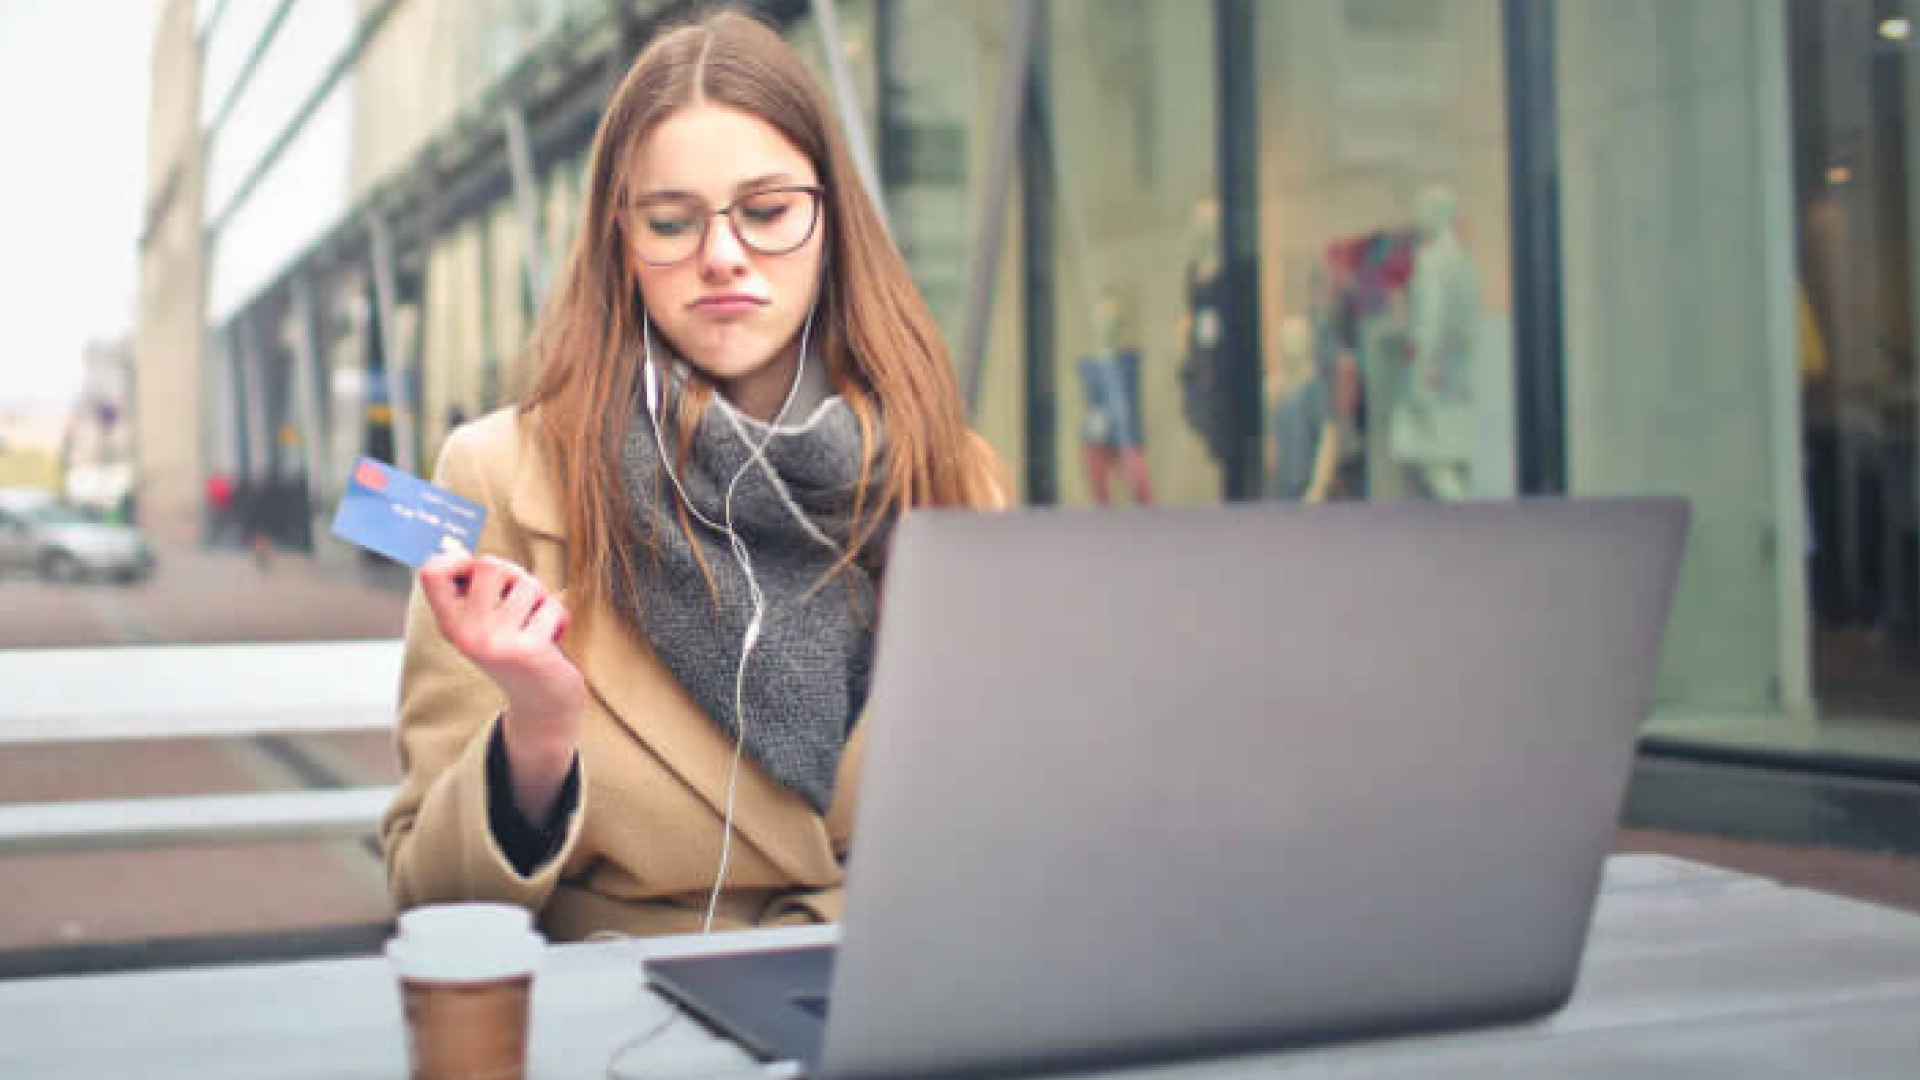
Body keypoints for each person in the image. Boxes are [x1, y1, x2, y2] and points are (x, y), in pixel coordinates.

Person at [381, 11, 1006, 941]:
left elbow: (1003, 803)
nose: (721, 255)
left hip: (896, 988)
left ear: (832, 221)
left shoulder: (950, 472)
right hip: (629, 1019)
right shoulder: (493, 472)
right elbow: (427, 892)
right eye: (671, 221)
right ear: (621, 244)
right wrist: (537, 737)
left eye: (767, 212)